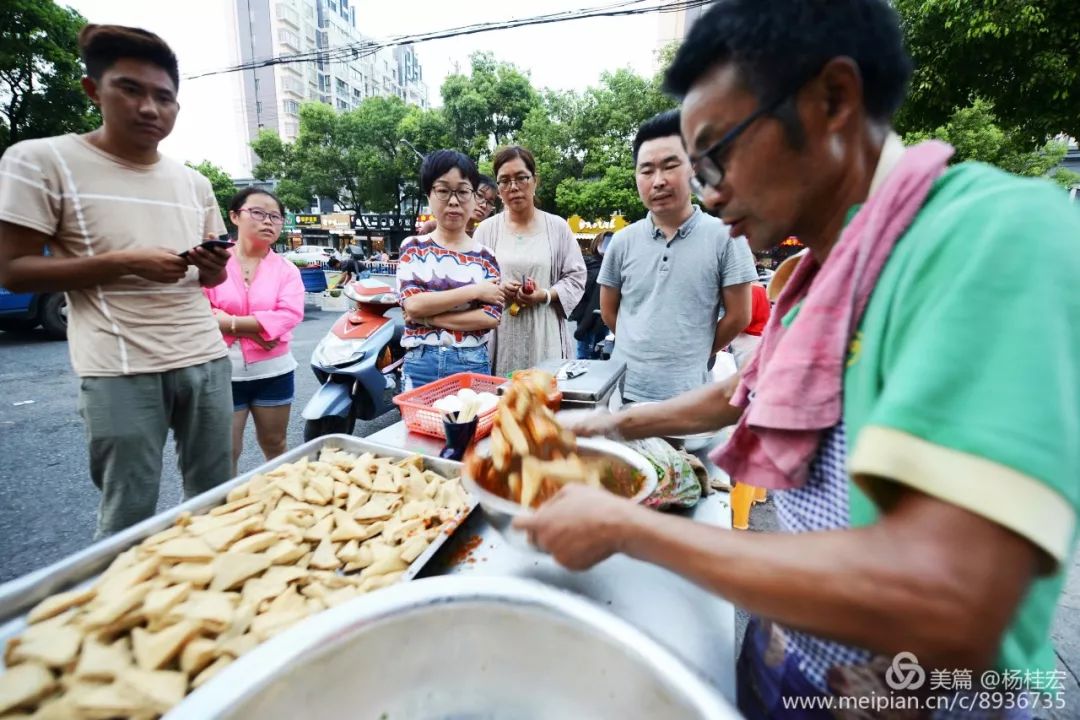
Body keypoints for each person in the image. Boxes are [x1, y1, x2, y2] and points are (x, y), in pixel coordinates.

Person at [515, 1, 1080, 717]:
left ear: (833, 99)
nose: (710, 193)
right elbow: (745, 394)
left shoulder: (996, 236)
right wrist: (611, 427)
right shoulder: (819, 270)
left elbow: (949, 600)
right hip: (790, 656)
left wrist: (626, 527)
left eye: (716, 155)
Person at [0, 25, 234, 537]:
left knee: (217, 499)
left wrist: (210, 266)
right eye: (130, 89)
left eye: (164, 97)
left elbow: (214, 272)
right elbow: (13, 269)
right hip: (118, 366)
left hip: (204, 355)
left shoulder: (193, 182)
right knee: (130, 510)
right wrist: (123, 261)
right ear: (93, 90)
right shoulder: (40, 161)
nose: (149, 108)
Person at [599, 110, 756, 402]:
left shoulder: (726, 237)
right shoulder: (621, 241)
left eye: (670, 166)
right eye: (646, 170)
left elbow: (739, 315)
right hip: (624, 391)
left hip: (689, 396)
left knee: (682, 452)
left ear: (693, 168)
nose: (658, 181)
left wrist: (694, 354)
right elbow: (609, 311)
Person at [203, 188, 304, 475]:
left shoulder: (286, 270)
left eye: (276, 217)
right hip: (223, 370)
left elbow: (289, 315)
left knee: (275, 444)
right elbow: (198, 309)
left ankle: (283, 505)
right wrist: (257, 329)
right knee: (226, 452)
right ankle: (229, 510)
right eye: (257, 213)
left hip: (274, 372)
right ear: (235, 216)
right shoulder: (213, 262)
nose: (268, 222)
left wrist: (229, 322)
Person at [396, 150, 504, 389]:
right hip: (421, 362)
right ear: (429, 196)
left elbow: (490, 317)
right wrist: (475, 291)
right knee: (419, 427)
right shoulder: (413, 247)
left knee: (473, 426)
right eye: (443, 190)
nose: (454, 201)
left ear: (474, 198)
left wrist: (429, 317)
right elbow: (413, 305)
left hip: (472, 362)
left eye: (463, 191)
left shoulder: (487, 256)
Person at [474, 146, 586, 375]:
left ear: (534, 181)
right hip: (502, 336)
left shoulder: (557, 227)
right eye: (504, 181)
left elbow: (576, 277)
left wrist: (544, 295)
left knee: (547, 399)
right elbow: (471, 286)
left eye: (521, 178)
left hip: (546, 336)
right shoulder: (486, 231)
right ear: (498, 189)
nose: (513, 187)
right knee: (503, 404)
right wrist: (497, 290)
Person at [568, 231, 612, 359]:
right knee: (583, 355)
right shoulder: (586, 264)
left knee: (601, 353)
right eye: (605, 243)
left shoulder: (613, 266)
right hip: (585, 316)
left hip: (604, 318)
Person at [729, 282, 770, 369]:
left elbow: (745, 319)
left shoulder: (751, 290)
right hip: (757, 337)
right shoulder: (760, 288)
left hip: (747, 340)